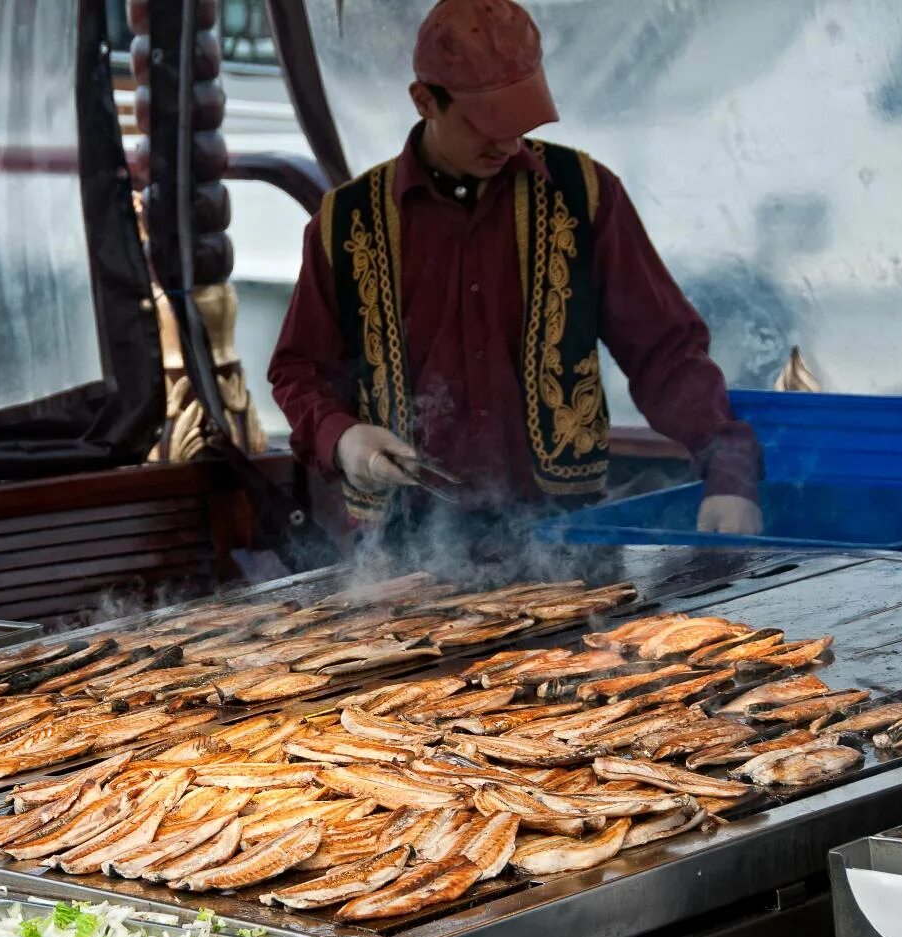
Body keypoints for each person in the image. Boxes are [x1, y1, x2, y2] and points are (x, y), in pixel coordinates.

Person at [268, 0, 763, 552]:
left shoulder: (585, 195)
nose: (506, 144)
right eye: (486, 124)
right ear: (424, 100)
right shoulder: (345, 222)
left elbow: (665, 353)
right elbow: (298, 370)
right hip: (401, 549)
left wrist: (727, 471)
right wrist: (344, 439)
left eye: (520, 122)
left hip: (565, 537)